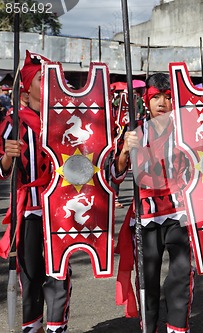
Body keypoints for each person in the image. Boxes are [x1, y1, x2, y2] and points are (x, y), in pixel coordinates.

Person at [113, 73, 194, 333]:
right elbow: (115, 175)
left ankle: (177, 328)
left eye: (168, 97)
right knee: (148, 278)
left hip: (179, 212)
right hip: (146, 214)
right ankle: (150, 328)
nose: (162, 102)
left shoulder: (186, 132)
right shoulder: (135, 132)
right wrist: (125, 150)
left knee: (181, 275)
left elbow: (202, 169)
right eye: (156, 97)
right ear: (146, 101)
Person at [0, 50, 72, 333]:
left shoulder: (67, 120)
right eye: (44, 79)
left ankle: (56, 327)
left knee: (59, 273)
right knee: (29, 276)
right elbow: (1, 169)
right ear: (26, 89)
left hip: (60, 212)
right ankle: (33, 328)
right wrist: (8, 155)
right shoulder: (13, 123)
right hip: (29, 211)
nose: (51, 83)